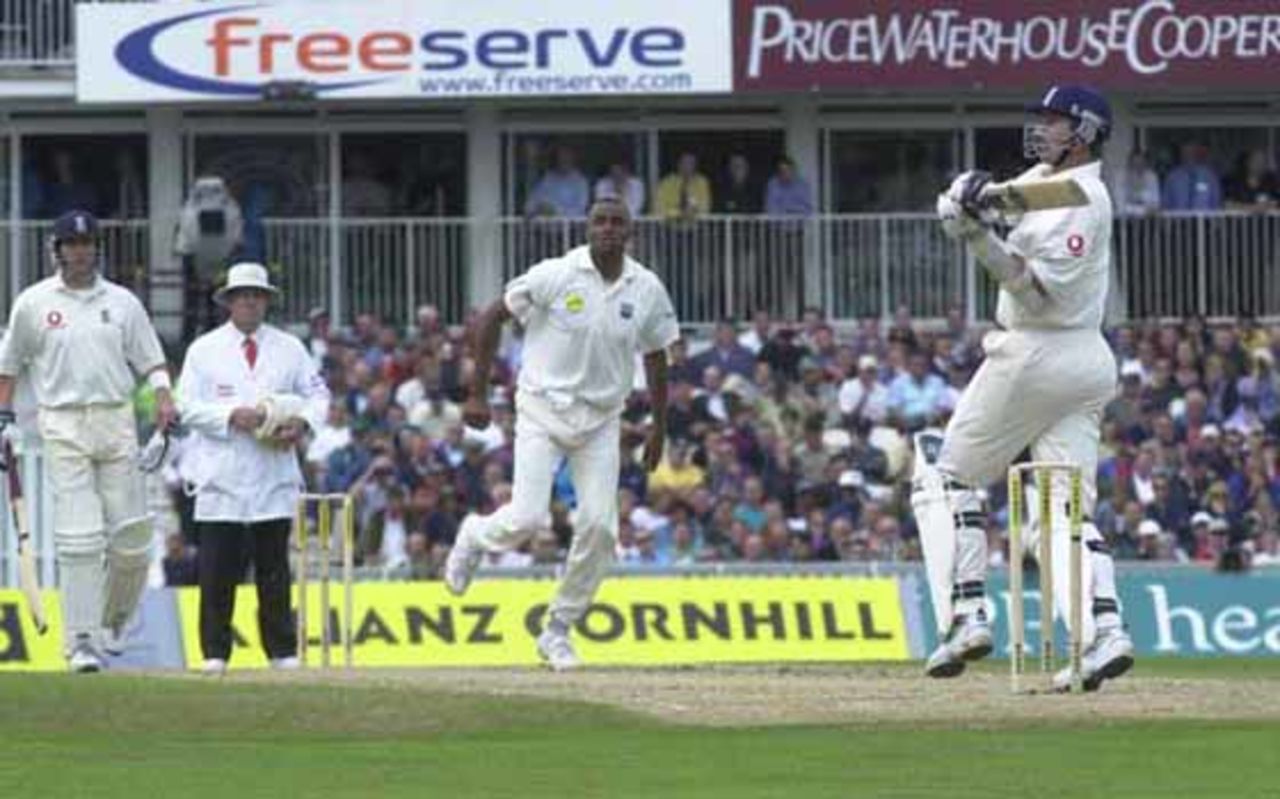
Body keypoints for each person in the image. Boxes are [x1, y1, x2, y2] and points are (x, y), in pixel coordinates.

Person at [919, 85, 1133, 692]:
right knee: (1058, 512)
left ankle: (966, 615)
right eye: (1040, 118)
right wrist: (965, 203)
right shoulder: (1042, 180)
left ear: (1086, 132)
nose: (1041, 128)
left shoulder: (1087, 200)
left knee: (945, 477)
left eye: (1056, 120)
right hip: (1084, 363)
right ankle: (1103, 634)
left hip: (1042, 348)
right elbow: (995, 207)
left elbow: (1037, 290)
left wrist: (976, 236)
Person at [445, 197, 679, 670]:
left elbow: (656, 356)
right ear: (588, 228)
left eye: (618, 223)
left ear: (630, 232)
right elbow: (491, 317)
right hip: (541, 409)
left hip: (601, 421)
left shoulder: (647, 288)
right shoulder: (555, 273)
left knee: (599, 527)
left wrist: (659, 425)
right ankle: (473, 535)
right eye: (600, 222)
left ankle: (557, 630)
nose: (609, 229)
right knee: (528, 519)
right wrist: (477, 393)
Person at [0, 209, 177, 672]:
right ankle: (80, 640)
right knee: (79, 538)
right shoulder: (34, 303)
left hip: (116, 421)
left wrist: (163, 396)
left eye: (87, 244)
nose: (80, 252)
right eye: (71, 245)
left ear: (97, 249)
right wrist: (4, 418)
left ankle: (113, 619)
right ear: (56, 250)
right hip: (62, 423)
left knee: (133, 537)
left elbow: (152, 361)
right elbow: (9, 366)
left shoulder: (121, 303)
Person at [177, 262, 329, 675]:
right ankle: (215, 652)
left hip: (272, 471)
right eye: (242, 295)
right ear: (228, 301)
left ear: (266, 300)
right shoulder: (203, 350)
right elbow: (185, 406)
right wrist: (231, 416)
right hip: (220, 474)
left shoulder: (289, 348)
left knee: (274, 570)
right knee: (217, 572)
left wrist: (301, 423)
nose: (249, 301)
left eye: (256, 295)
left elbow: (319, 396)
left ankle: (281, 650)